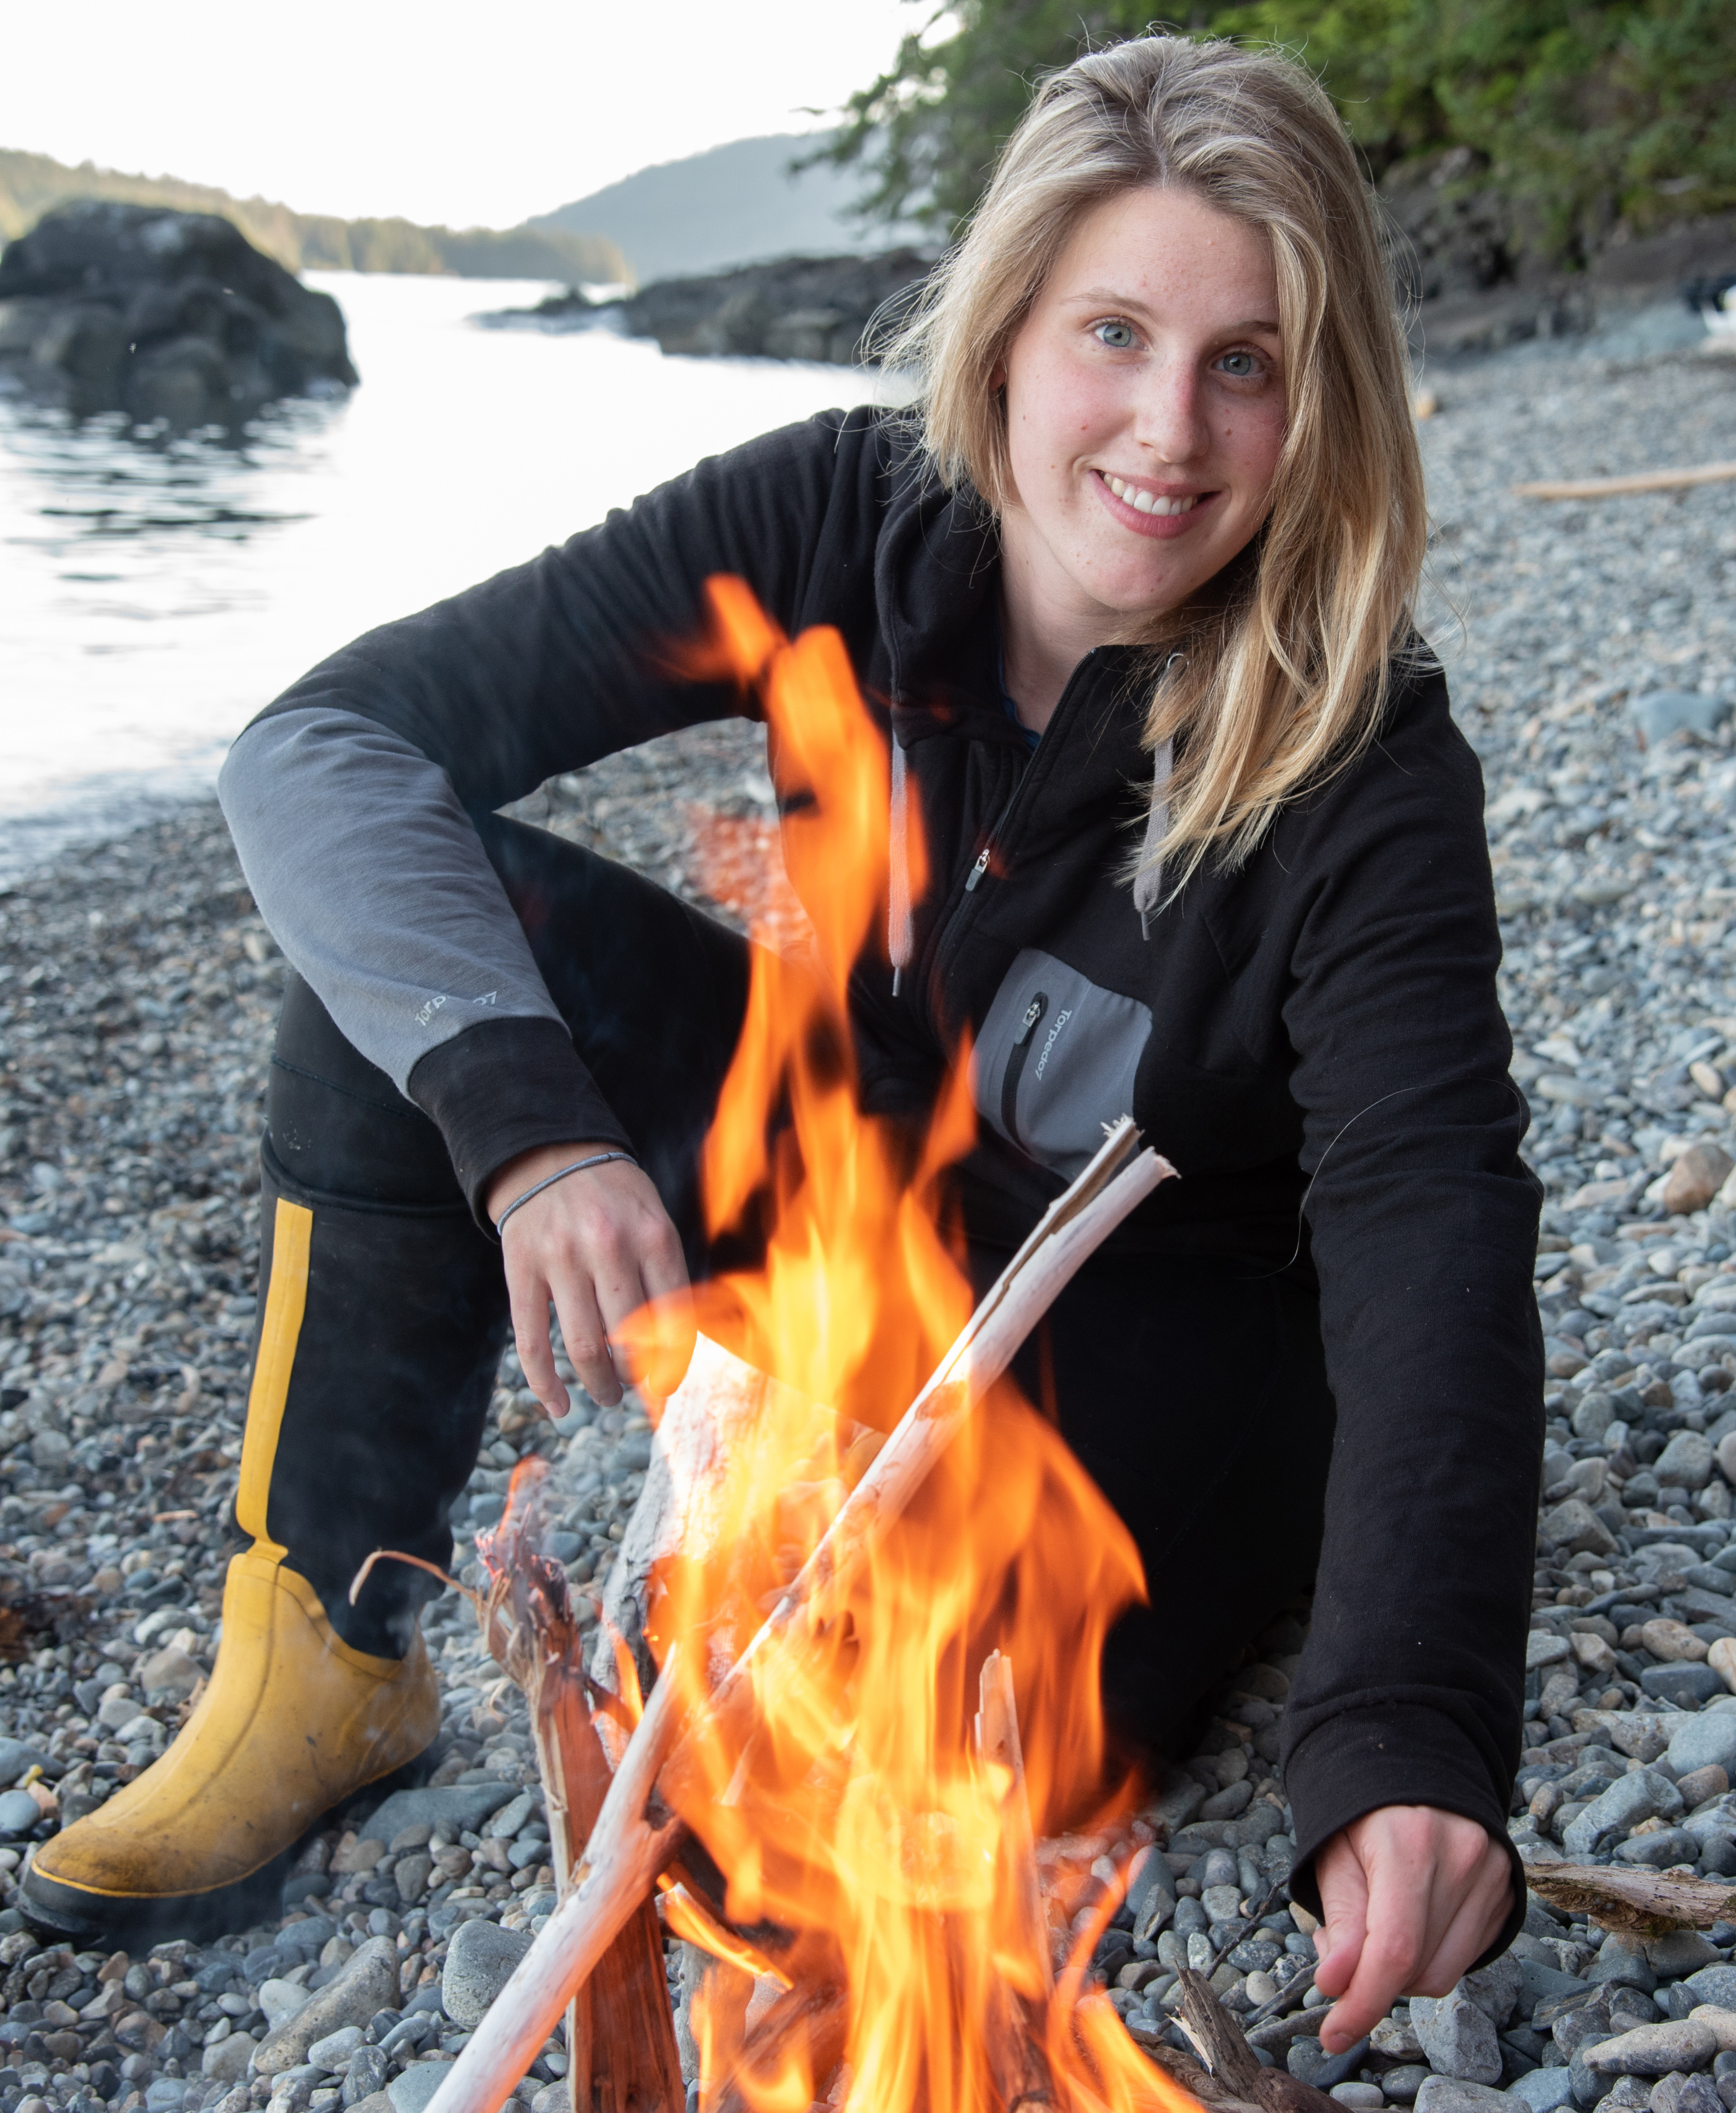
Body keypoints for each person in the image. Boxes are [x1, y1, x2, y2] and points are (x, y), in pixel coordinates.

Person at [25, 36, 1543, 2050]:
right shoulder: (848, 516)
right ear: (1005, 334)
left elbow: (1430, 1220)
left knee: (783, 1841)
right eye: (1114, 333)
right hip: (845, 1206)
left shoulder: (1361, 757)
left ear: (1317, 397)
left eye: (1245, 362)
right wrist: (532, 1129)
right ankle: (321, 1652)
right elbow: (323, 747)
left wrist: (1412, 1730)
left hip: (1144, 1360)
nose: (1168, 432)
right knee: (421, 966)